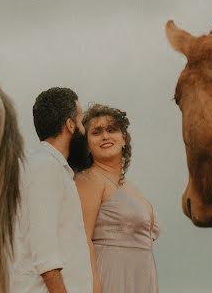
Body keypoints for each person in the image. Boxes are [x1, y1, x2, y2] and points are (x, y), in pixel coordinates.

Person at [11, 87, 93, 293]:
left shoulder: (51, 168)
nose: (84, 130)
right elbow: (46, 256)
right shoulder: (45, 168)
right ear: (70, 125)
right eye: (81, 122)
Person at [71, 104, 160, 293]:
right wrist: (94, 287)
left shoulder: (130, 187)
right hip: (110, 278)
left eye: (112, 130)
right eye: (96, 132)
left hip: (142, 279)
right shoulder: (89, 180)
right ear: (87, 145)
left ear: (124, 139)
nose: (105, 136)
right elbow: (81, 239)